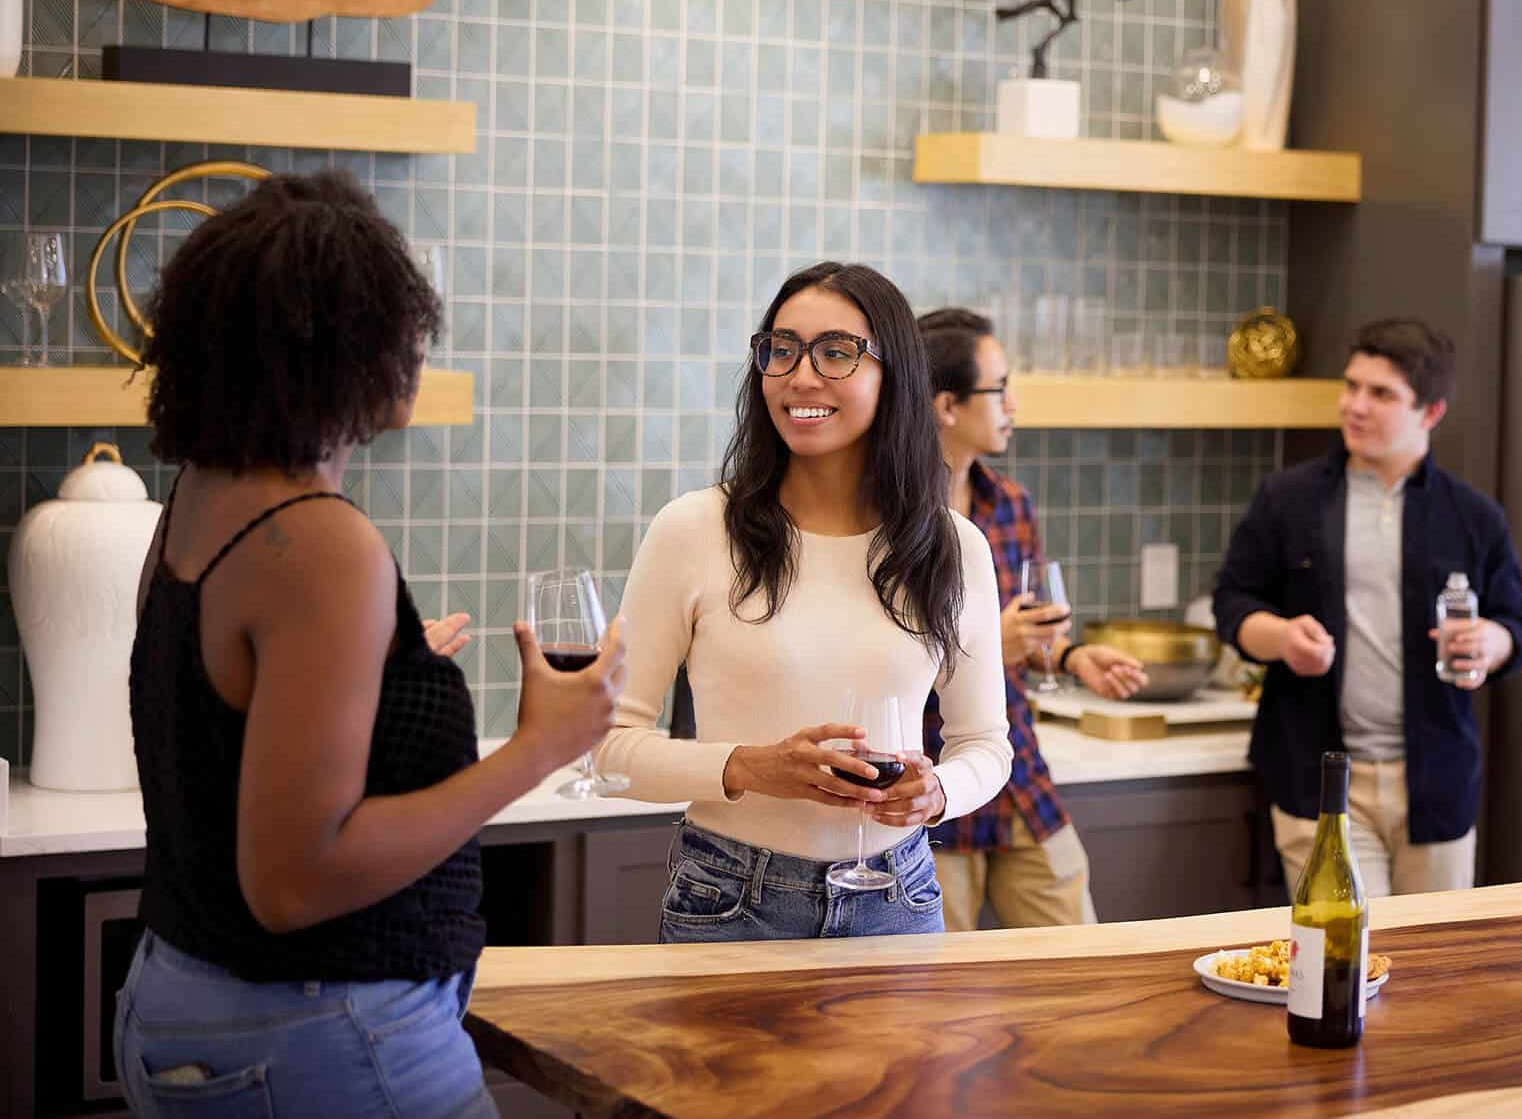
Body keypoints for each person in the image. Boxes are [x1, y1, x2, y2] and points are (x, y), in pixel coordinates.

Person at [116, 170, 626, 1119]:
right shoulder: (319, 539)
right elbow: (295, 883)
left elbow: (224, 711)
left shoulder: (199, 494)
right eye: (403, 321)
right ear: (340, 350)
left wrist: (380, 680)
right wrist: (536, 753)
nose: (419, 346)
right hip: (315, 1027)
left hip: (183, 990)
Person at [600, 262, 1010, 941]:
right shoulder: (693, 530)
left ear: (895, 375)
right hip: (730, 899)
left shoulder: (953, 546)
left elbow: (984, 746)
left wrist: (939, 793)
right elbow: (607, 750)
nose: (802, 375)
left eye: (837, 352)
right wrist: (749, 767)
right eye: (781, 349)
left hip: (897, 899)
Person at [1213, 319, 1522, 898]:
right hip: (1319, 778)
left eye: (1381, 394)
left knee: (1430, 966)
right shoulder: (1289, 500)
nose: (1355, 406)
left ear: (1430, 413)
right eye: (1351, 386)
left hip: (1436, 784)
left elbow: (1518, 629)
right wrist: (1282, 639)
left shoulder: (1473, 515)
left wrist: (1493, 641)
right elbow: (1232, 607)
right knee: (1346, 959)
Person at [916, 307, 1149, 930]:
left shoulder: (1010, 503)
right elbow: (873, 668)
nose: (1014, 403)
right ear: (947, 405)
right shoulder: (888, 522)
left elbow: (1031, 633)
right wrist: (994, 646)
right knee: (938, 1003)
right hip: (927, 788)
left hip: (1016, 772)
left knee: (1083, 963)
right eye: (1000, 389)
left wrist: (1069, 657)